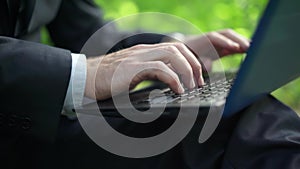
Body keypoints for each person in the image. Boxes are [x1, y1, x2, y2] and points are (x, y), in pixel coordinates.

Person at [0, 0, 253, 168]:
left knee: (226, 117)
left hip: (43, 125)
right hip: (23, 128)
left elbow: (84, 31)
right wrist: (80, 73)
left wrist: (169, 47)